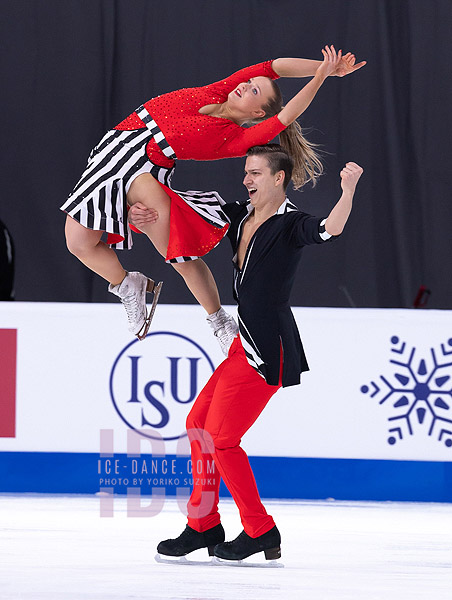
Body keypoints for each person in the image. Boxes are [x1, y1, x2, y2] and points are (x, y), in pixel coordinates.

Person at [134, 144, 363, 562]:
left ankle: (260, 529)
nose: (246, 180)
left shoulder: (291, 223)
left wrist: (347, 190)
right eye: (246, 173)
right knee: (199, 424)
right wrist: (149, 221)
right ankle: (202, 524)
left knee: (223, 440)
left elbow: (331, 228)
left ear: (278, 178)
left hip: (267, 346)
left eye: (255, 174)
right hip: (244, 341)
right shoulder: (240, 214)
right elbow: (186, 215)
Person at [61, 46, 365, 352]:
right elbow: (275, 66)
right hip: (113, 151)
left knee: (178, 253)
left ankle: (218, 320)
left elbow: (287, 115)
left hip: (144, 173)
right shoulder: (218, 91)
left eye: (253, 90)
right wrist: (325, 65)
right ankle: (129, 284)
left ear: (257, 113)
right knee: (78, 242)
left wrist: (322, 77)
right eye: (248, 82)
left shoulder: (236, 139)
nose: (245, 85)